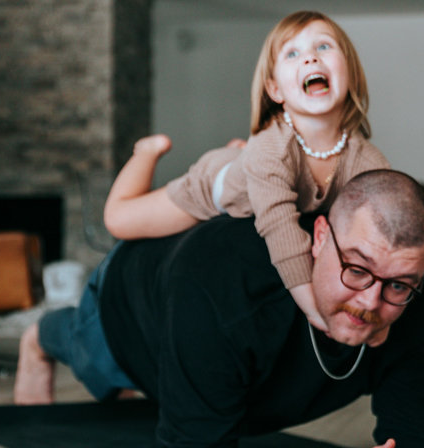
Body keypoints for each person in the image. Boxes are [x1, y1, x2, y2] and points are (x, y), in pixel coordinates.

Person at [14, 170, 424, 448]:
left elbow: (416, 437)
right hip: (133, 304)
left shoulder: (418, 297)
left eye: (398, 285)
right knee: (93, 359)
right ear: (319, 238)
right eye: (356, 269)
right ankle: (42, 336)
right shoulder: (220, 292)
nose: (371, 302)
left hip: (224, 343)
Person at [101, 10, 388, 334]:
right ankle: (147, 151)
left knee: (252, 162)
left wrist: (379, 315)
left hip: (252, 165)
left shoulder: (366, 157)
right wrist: (315, 311)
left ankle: (239, 154)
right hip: (212, 186)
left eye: (323, 47)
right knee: (119, 220)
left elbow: (385, 225)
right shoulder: (271, 149)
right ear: (275, 90)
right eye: (293, 53)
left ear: (349, 71)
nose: (310, 59)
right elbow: (281, 230)